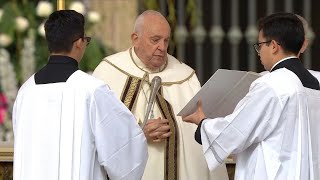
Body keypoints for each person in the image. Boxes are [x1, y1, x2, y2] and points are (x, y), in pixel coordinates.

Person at [93, 10, 228, 180]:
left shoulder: (185, 76)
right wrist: (139, 134)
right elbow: (97, 132)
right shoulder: (108, 72)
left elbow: (198, 137)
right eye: (155, 40)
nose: (162, 48)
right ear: (135, 39)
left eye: (166, 41)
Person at [182, 12, 320, 179]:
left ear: (274, 46)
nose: (259, 52)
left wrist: (202, 123)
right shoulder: (314, 83)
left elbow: (236, 131)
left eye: (260, 45)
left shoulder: (272, 84)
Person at [12, 10, 148, 180]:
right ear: (78, 43)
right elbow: (125, 153)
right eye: (86, 40)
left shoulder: (26, 91)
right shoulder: (91, 90)